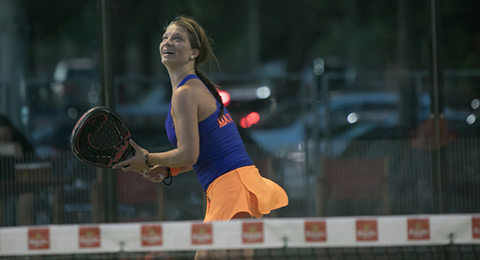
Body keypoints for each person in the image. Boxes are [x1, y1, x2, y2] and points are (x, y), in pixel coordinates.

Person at [113, 16, 288, 259]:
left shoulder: (186, 93)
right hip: (231, 187)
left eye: (177, 39)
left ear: (194, 52)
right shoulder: (190, 89)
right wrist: (167, 170)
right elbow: (200, 154)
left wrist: (149, 158)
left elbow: (188, 153)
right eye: (165, 37)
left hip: (232, 188)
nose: (167, 43)